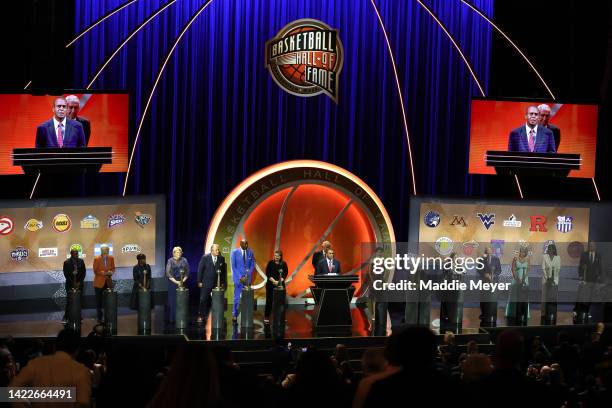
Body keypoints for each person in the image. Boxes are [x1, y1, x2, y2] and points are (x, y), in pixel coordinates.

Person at [10, 328, 91, 406]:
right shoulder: (81, 371)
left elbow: (11, 389)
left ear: (55, 346)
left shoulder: (36, 363)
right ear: (77, 350)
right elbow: (83, 403)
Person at [197, 244, 227, 323]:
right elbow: (200, 270)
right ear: (212, 251)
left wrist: (223, 282)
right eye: (216, 250)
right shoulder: (205, 258)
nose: (218, 251)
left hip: (217, 283)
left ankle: (217, 315)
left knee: (217, 300)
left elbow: (223, 272)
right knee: (203, 299)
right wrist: (199, 281)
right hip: (206, 282)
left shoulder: (221, 258)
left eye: (218, 250)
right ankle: (201, 315)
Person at [574, 241, 602, 323]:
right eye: (590, 245)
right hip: (584, 278)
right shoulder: (584, 254)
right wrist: (580, 276)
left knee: (590, 296)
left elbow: (599, 267)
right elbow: (580, 265)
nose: (591, 247)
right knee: (581, 295)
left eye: (592, 246)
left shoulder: (598, 255)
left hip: (593, 279)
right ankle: (576, 310)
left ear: (595, 246)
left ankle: (586, 311)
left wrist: (599, 275)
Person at [230, 239, 255, 324]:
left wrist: (248, 274)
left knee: (247, 297)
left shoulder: (250, 252)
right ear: (240, 244)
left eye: (247, 244)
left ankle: (246, 313)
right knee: (236, 297)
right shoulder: (234, 252)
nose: (246, 245)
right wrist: (240, 277)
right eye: (245, 244)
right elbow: (234, 266)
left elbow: (252, 264)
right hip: (238, 279)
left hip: (247, 278)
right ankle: (234, 314)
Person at [506, 247, 530, 326]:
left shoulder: (528, 259)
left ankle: (524, 314)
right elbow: (513, 268)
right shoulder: (515, 258)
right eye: (521, 251)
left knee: (523, 298)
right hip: (516, 278)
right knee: (515, 296)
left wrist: (524, 278)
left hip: (524, 280)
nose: (521, 252)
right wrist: (516, 278)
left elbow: (528, 269)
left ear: (525, 252)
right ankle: (513, 313)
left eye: (523, 251)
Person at [165, 246, 190, 323]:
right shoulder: (170, 261)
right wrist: (177, 282)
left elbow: (187, 272)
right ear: (173, 253)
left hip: (182, 281)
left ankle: (182, 317)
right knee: (173, 301)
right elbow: (168, 273)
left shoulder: (184, 260)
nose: (179, 253)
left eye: (180, 252)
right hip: (173, 282)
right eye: (177, 252)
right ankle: (173, 318)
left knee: (182, 300)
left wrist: (182, 281)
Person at [264, 250, 289, 323]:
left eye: (277, 256)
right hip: (270, 285)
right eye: (275, 256)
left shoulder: (283, 264)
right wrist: (274, 281)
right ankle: (267, 317)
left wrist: (279, 282)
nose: (276, 257)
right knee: (269, 301)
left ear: (280, 257)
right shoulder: (270, 263)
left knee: (281, 302)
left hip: (280, 285)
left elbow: (285, 273)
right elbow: (267, 273)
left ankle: (281, 317)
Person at [62, 248, 86, 323]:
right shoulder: (66, 262)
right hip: (70, 284)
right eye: (75, 253)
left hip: (79, 285)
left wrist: (79, 282)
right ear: (71, 254)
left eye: (77, 253)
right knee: (70, 301)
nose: (77, 254)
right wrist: (73, 283)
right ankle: (66, 317)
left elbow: (83, 273)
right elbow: (66, 275)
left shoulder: (81, 261)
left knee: (78, 301)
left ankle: (78, 316)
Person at [92, 245, 115, 323]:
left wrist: (111, 272)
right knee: (99, 301)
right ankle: (99, 317)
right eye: (105, 249)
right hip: (98, 283)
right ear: (101, 250)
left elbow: (113, 268)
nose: (106, 251)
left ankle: (108, 316)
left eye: (107, 249)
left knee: (108, 300)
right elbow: (95, 270)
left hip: (108, 282)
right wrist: (105, 273)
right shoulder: (97, 259)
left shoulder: (111, 258)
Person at [479, 247, 501, 327]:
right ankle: (483, 314)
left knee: (493, 299)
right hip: (484, 282)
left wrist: (493, 276)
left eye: (489, 251)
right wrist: (484, 274)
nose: (488, 253)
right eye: (486, 252)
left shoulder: (496, 259)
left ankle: (492, 314)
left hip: (493, 282)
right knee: (483, 299)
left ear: (492, 251)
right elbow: (479, 269)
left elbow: (499, 270)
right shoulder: (481, 259)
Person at [541, 243, 560, 325]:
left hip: (554, 280)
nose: (549, 250)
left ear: (554, 250)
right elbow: (543, 268)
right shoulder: (544, 257)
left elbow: (558, 269)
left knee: (553, 298)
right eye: (548, 249)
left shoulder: (558, 258)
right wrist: (548, 277)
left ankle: (553, 314)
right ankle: (544, 314)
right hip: (546, 280)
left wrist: (552, 279)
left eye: (551, 249)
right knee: (545, 298)